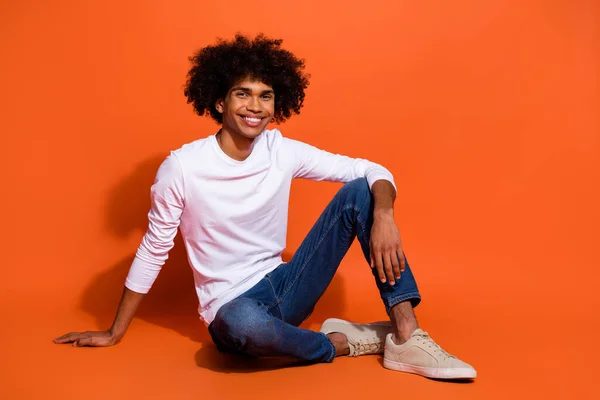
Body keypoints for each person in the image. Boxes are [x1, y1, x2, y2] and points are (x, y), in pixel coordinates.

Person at [54, 34, 476, 380]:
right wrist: (113, 332)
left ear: (278, 105)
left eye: (266, 96)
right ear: (219, 102)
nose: (254, 107)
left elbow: (372, 169)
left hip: (286, 286)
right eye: (242, 94)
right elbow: (154, 247)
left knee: (362, 192)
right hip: (231, 308)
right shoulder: (182, 167)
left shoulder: (281, 149)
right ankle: (344, 343)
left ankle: (406, 335)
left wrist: (384, 215)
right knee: (245, 327)